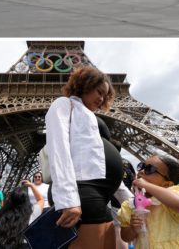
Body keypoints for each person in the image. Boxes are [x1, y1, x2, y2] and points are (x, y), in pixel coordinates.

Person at [45, 65, 123, 249]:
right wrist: (68, 200)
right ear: (84, 85)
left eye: (105, 95)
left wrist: (129, 200)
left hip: (101, 196)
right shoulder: (65, 104)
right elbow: (59, 148)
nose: (102, 98)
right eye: (98, 91)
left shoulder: (89, 116)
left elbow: (98, 162)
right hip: (81, 193)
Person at [119, 155, 179, 249]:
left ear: (167, 184)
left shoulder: (174, 194)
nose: (141, 171)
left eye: (149, 169)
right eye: (142, 166)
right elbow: (125, 237)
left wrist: (146, 185)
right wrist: (133, 228)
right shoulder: (130, 204)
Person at [0, 182, 45, 248]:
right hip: (23, 245)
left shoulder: (2, 214)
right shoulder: (33, 212)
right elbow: (41, 199)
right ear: (27, 200)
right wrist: (31, 185)